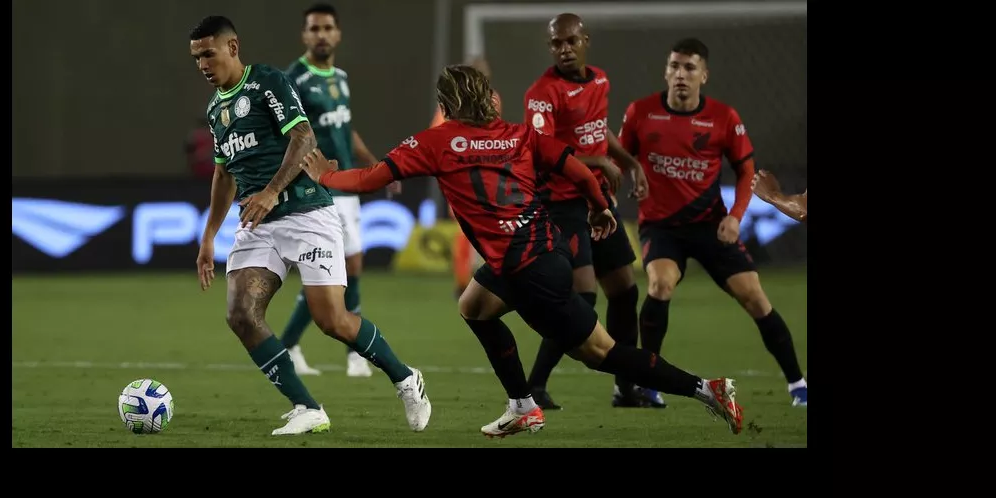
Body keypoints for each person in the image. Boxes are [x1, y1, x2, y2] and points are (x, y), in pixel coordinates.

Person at [300, 64, 745, 437]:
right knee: (473, 305)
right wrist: (600, 208)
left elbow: (369, 178)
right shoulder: (518, 135)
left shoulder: (435, 142)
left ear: (447, 104)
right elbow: (577, 169)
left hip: (526, 269)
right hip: (543, 251)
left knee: (601, 353)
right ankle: (522, 404)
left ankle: (707, 388)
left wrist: (324, 177)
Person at [189, 15, 432, 435]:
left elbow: (304, 137)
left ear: (232, 47)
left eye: (208, 54)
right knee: (241, 314)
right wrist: (209, 236)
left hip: (305, 213)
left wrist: (270, 190)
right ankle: (307, 407)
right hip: (258, 224)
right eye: (196, 58)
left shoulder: (267, 81)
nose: (203, 65)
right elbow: (224, 174)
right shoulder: (215, 109)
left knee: (332, 321)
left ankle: (407, 378)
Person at [620, 38, 807, 407]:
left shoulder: (724, 118)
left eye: (689, 68)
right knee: (659, 285)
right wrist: (629, 174)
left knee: (754, 297)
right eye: (674, 66)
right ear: (666, 71)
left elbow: (746, 170)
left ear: (703, 75)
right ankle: (650, 382)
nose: (680, 75)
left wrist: (736, 217)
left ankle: (798, 383)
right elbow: (621, 156)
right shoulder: (640, 112)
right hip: (662, 227)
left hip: (711, 225)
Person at [514, 12, 663, 411]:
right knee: (582, 296)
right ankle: (534, 388)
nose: (565, 48)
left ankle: (625, 387)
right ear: (550, 47)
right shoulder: (542, 94)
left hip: (597, 202)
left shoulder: (600, 80)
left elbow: (598, 129)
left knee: (625, 290)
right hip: (561, 204)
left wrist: (628, 162)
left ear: (585, 41)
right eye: (557, 43)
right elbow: (541, 153)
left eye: (571, 41)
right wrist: (599, 163)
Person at [278, 3, 401, 379]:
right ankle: (353, 353)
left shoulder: (341, 78)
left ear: (338, 33)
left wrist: (378, 165)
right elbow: (287, 134)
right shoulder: (293, 79)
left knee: (349, 267)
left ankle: (293, 345)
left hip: (346, 184)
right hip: (318, 188)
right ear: (304, 35)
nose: (321, 35)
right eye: (314, 29)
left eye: (327, 28)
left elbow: (345, 129)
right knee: (338, 270)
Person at [433, 56, 501, 300]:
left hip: (488, 176)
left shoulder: (493, 100)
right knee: (466, 230)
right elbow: (436, 137)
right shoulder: (452, 103)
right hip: (460, 177)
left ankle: (485, 280)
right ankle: (462, 284)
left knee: (488, 229)